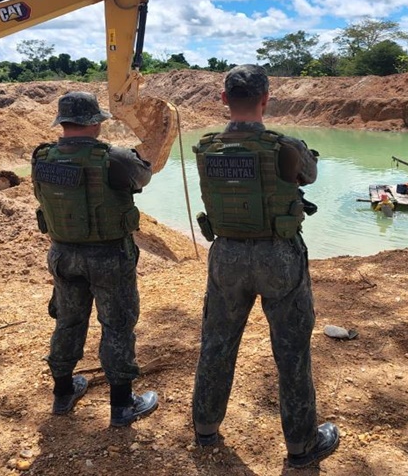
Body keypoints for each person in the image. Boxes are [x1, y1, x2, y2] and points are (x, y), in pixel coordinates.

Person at [190, 65, 339, 468]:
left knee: (217, 344)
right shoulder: (285, 145)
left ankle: (204, 428)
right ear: (265, 99)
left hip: (227, 255)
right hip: (278, 255)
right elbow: (309, 173)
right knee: (291, 353)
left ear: (224, 100)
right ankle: (301, 446)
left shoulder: (206, 147)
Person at [32, 91, 158, 427]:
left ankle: (62, 393)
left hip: (62, 253)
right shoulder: (113, 158)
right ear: (94, 123)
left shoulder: (42, 158)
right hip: (108, 256)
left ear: (63, 122)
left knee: (68, 322)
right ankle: (121, 405)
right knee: (116, 325)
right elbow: (144, 175)